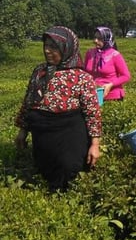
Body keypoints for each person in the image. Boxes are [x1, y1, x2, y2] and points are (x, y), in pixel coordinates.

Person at [14, 26, 102, 191]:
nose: (47, 51)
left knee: (69, 170)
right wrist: (22, 131)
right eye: (46, 46)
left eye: (53, 47)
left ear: (67, 48)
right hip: (42, 133)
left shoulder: (82, 77)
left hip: (68, 132)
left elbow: (92, 113)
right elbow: (28, 101)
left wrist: (95, 145)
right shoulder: (39, 72)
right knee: (44, 172)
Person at [83, 26, 131, 101]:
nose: (95, 41)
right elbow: (84, 73)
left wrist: (111, 85)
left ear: (106, 39)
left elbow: (126, 76)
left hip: (113, 96)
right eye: (95, 37)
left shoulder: (115, 55)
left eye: (99, 38)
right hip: (94, 95)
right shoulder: (89, 53)